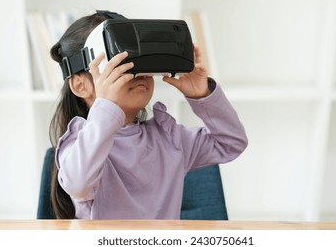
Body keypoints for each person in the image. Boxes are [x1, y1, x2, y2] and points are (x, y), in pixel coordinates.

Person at [49, 11, 248, 219]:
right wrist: (106, 106)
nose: (138, 73)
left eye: (141, 61)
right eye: (118, 66)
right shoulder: (79, 145)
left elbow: (231, 142)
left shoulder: (169, 139)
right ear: (80, 86)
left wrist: (202, 95)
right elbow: (78, 184)